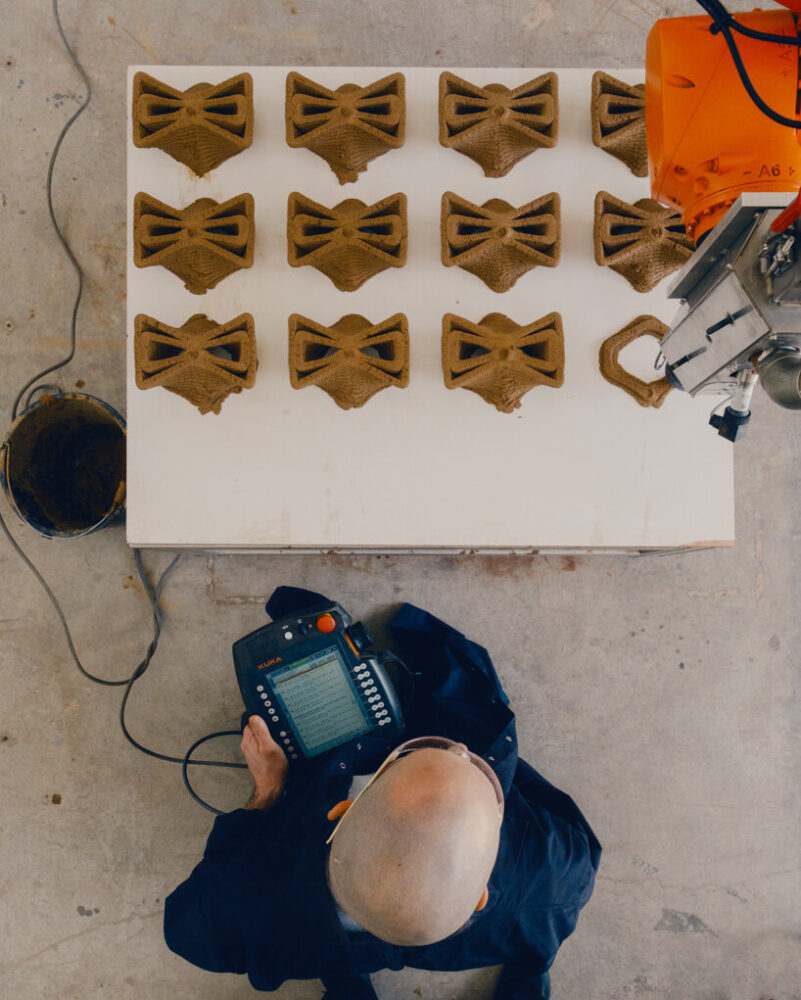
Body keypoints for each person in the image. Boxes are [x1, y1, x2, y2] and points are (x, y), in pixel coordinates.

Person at [164, 588, 601, 999]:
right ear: (479, 898)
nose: (462, 749)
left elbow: (182, 929)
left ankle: (344, 965)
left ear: (342, 808)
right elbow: (561, 818)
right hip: (480, 941)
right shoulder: (557, 887)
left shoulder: (246, 907)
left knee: (337, 957)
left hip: (319, 940)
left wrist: (269, 792)